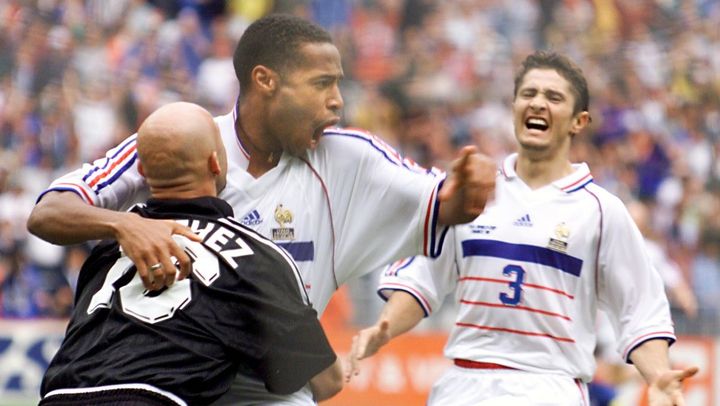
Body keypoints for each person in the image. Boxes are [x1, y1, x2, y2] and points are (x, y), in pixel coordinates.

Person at [26, 14, 496, 405]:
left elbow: (446, 206)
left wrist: (468, 191)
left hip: (278, 392)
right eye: (322, 84)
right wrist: (124, 223)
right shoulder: (183, 139)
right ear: (266, 80)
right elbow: (48, 213)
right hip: (176, 389)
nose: (337, 101)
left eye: (338, 84)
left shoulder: (353, 160)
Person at [348, 51, 698, 405]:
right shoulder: (474, 192)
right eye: (529, 94)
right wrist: (385, 326)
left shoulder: (601, 211)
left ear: (579, 121)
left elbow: (639, 308)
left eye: (554, 97)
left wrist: (658, 376)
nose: (538, 103)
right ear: (514, 106)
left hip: (548, 388)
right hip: (464, 386)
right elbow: (423, 278)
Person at [39, 102, 342, 406]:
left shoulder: (105, 251)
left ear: (142, 171)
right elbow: (324, 381)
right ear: (215, 163)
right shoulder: (255, 257)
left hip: (58, 396)